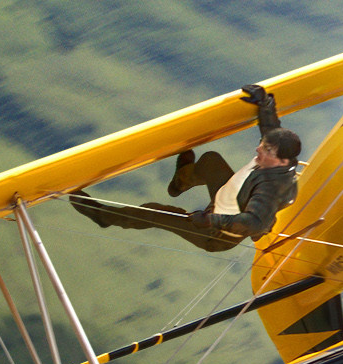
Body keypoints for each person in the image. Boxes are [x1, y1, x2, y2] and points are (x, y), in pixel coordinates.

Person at [70, 85, 301, 252]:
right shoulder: (281, 157)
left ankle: (103, 216)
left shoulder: (270, 190)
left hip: (216, 234)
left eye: (266, 150)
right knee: (211, 160)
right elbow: (272, 132)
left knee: (156, 212)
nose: (258, 149)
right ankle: (179, 183)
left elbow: (254, 224)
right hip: (231, 198)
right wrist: (265, 104)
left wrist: (211, 221)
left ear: (280, 162)